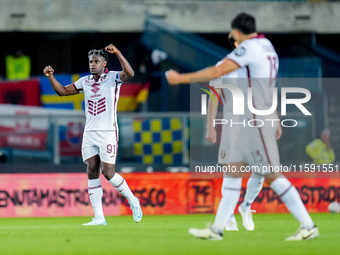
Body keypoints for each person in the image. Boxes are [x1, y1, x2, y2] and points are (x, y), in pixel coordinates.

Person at [166, 13, 318, 241]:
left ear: (237, 33)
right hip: (246, 123)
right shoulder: (267, 46)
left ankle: (307, 225)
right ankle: (217, 229)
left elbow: (217, 72)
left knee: (272, 176)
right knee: (232, 174)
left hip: (254, 122)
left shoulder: (250, 48)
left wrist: (179, 79)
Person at [43, 44, 142, 225]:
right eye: (90, 61)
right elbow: (63, 91)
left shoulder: (113, 77)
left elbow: (130, 74)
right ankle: (99, 217)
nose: (93, 64)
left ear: (105, 63)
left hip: (108, 132)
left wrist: (119, 53)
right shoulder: (85, 81)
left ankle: (133, 201)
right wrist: (51, 77)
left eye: (96, 61)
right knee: (92, 171)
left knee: (108, 172)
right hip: (89, 132)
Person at [206, 37, 264, 232]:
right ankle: (229, 216)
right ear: (237, 44)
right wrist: (210, 126)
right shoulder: (222, 66)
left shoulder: (254, 67)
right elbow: (213, 97)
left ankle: (245, 206)